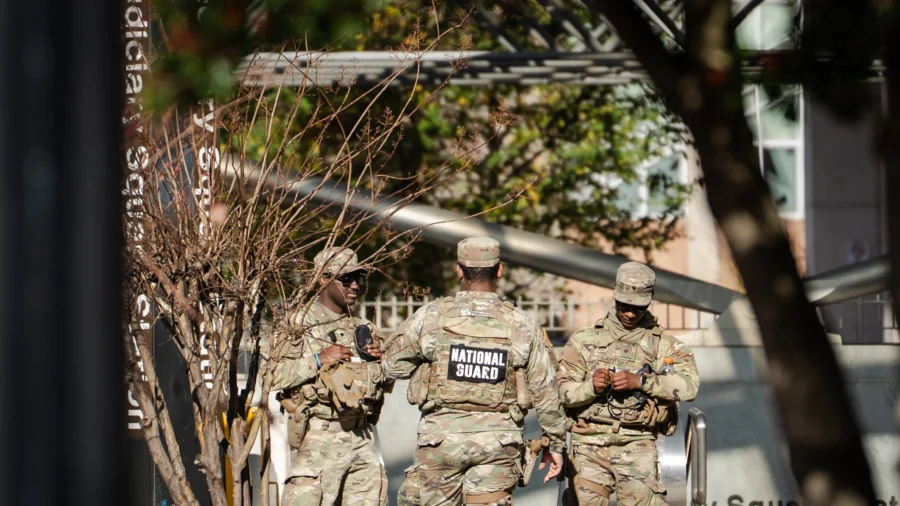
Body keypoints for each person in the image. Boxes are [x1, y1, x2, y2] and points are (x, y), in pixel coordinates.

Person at [383, 237, 567, 506]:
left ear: (459, 270)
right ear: (499, 270)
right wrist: (556, 444)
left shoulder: (431, 316)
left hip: (440, 441)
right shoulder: (521, 323)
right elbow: (546, 390)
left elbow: (392, 366)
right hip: (498, 443)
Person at [557, 261, 699, 506]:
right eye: (624, 306)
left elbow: (689, 386)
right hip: (589, 443)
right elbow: (562, 392)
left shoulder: (664, 345)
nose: (630, 314)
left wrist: (642, 381)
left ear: (649, 301)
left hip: (638, 442)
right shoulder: (584, 339)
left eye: (638, 308)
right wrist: (591, 387)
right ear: (615, 296)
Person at [271, 247, 391, 506]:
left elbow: (383, 384)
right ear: (323, 279)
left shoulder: (364, 327)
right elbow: (271, 377)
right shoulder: (299, 324)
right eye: (346, 279)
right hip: (319, 439)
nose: (355, 285)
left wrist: (383, 362)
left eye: (359, 278)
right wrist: (317, 359)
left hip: (362, 439)